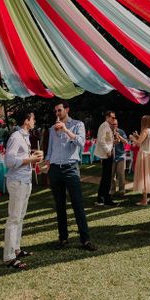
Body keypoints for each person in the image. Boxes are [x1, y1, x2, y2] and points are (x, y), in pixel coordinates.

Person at [42, 102, 97, 251]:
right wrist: (48, 165)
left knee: (77, 204)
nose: (57, 113)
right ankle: (63, 238)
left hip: (71, 168)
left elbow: (81, 142)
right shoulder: (52, 129)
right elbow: (50, 149)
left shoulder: (77, 124)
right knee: (60, 206)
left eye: (59, 110)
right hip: (55, 169)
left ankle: (85, 240)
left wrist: (66, 130)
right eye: (55, 111)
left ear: (66, 110)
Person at [3, 111, 42, 270]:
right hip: (17, 181)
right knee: (14, 218)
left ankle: (16, 249)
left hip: (25, 180)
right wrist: (30, 159)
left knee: (20, 217)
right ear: (26, 120)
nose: (34, 121)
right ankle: (9, 256)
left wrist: (33, 156)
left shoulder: (25, 137)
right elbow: (9, 161)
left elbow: (21, 157)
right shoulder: (16, 137)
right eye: (33, 119)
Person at [94, 111, 120, 206]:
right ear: (107, 117)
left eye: (114, 118)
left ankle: (102, 198)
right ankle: (105, 199)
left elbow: (108, 140)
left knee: (106, 177)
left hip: (108, 154)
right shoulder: (104, 126)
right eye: (112, 118)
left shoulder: (108, 126)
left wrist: (114, 141)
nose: (114, 120)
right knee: (106, 178)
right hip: (106, 155)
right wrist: (107, 151)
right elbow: (101, 140)